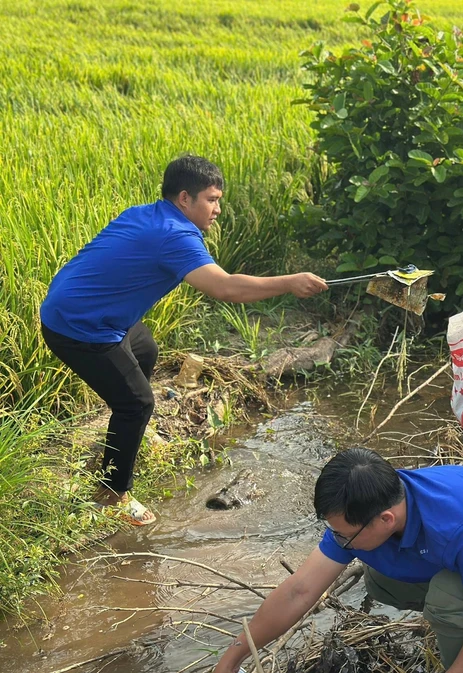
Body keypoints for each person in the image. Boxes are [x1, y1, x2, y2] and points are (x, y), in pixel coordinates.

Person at [40, 156, 328, 524]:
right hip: (78, 327)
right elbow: (224, 287)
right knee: (138, 403)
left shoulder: (147, 214)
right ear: (184, 198)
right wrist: (289, 283)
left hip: (83, 309)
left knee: (145, 348)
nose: (218, 209)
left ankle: (124, 429)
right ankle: (112, 494)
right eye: (212, 199)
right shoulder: (173, 235)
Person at [213, 448, 463, 673]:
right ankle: (456, 625)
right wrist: (232, 659)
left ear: (385, 519)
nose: (339, 541)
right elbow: (299, 590)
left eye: (345, 535)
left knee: (449, 597)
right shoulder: (369, 506)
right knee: (380, 578)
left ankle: (460, 648)